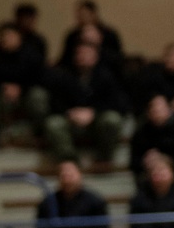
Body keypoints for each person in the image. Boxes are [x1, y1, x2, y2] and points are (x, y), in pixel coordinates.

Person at [44, 37, 125, 169]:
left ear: (95, 57)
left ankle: (104, 158)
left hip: (96, 121)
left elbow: (117, 103)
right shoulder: (64, 75)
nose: (82, 57)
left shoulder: (106, 76)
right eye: (79, 53)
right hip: (71, 120)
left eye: (87, 54)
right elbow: (54, 102)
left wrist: (93, 112)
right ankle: (69, 160)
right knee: (53, 123)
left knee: (112, 119)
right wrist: (70, 112)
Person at [0, 21, 49, 150]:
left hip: (27, 92)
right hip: (3, 92)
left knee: (39, 96)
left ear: (18, 36)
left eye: (9, 36)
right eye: (2, 36)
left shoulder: (31, 51)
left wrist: (21, 88)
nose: (5, 39)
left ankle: (40, 132)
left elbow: (40, 76)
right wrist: (4, 87)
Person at [36, 159, 110, 228]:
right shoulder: (48, 203)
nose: (67, 177)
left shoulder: (95, 201)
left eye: (70, 174)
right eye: (63, 174)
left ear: (80, 175)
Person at [129, 94, 174, 187]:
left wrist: (165, 161)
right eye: (154, 109)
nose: (157, 112)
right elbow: (134, 163)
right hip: (147, 180)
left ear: (169, 111)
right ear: (148, 112)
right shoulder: (140, 135)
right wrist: (145, 162)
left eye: (161, 109)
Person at [58, 0, 124, 74]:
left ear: (94, 14)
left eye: (85, 15)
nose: (81, 19)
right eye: (79, 16)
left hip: (104, 72)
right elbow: (65, 59)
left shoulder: (109, 34)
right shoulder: (72, 36)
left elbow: (117, 58)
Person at [14, 2, 48, 69]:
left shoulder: (38, 41)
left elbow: (40, 65)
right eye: (26, 19)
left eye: (31, 19)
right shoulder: (8, 40)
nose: (29, 22)